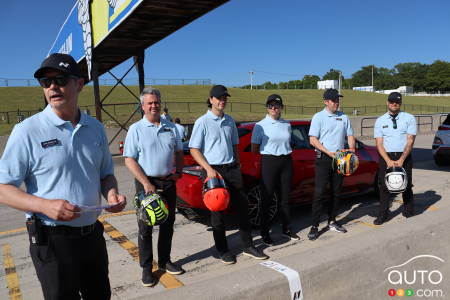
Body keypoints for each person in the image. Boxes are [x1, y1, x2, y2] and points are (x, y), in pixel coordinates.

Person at [0, 53, 127, 300]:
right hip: (52, 239)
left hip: (92, 236)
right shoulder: (27, 131)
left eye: (60, 79)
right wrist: (44, 206)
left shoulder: (95, 128)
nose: (52, 87)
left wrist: (111, 193)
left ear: (79, 84)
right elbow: (3, 187)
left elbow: (106, 174)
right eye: (46, 82)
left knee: (100, 295)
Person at [189, 85, 268, 264]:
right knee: (217, 213)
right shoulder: (203, 121)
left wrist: (237, 162)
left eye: (224, 98)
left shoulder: (230, 120)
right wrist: (209, 170)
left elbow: (234, 144)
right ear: (211, 100)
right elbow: (194, 149)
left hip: (232, 168)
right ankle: (222, 250)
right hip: (213, 170)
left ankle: (248, 246)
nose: (222, 100)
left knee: (243, 208)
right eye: (218, 98)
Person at [123, 87, 184, 287]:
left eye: (156, 102)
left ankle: (165, 261)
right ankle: (147, 268)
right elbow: (129, 160)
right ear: (142, 106)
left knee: (168, 224)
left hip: (168, 182)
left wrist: (178, 173)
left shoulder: (171, 127)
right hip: (146, 183)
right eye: (149, 103)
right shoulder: (136, 129)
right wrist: (146, 183)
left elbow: (179, 152)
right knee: (146, 227)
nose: (154, 105)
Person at [251, 94, 299, 245]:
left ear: (281, 108)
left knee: (285, 198)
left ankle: (286, 228)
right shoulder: (260, 125)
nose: (273, 108)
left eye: (276, 105)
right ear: (267, 108)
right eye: (270, 106)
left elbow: (289, 142)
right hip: (269, 161)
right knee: (267, 199)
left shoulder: (287, 124)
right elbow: (254, 148)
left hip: (286, 161)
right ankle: (265, 233)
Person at [307, 88, 355, 240]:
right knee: (319, 193)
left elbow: (350, 134)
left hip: (340, 158)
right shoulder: (318, 117)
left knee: (336, 192)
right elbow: (312, 139)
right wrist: (328, 152)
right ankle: (314, 226)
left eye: (338, 100)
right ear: (326, 102)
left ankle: (332, 221)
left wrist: (352, 150)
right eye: (334, 100)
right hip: (324, 159)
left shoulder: (344, 117)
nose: (337, 103)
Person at [373, 92, 416, 225]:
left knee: (406, 184)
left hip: (404, 155)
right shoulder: (380, 120)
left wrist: (402, 159)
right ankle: (383, 215)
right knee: (384, 186)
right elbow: (379, 143)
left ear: (400, 103)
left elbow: (410, 141)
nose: (394, 104)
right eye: (391, 101)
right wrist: (388, 161)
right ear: (387, 102)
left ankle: (409, 211)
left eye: (397, 102)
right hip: (386, 156)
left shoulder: (409, 118)